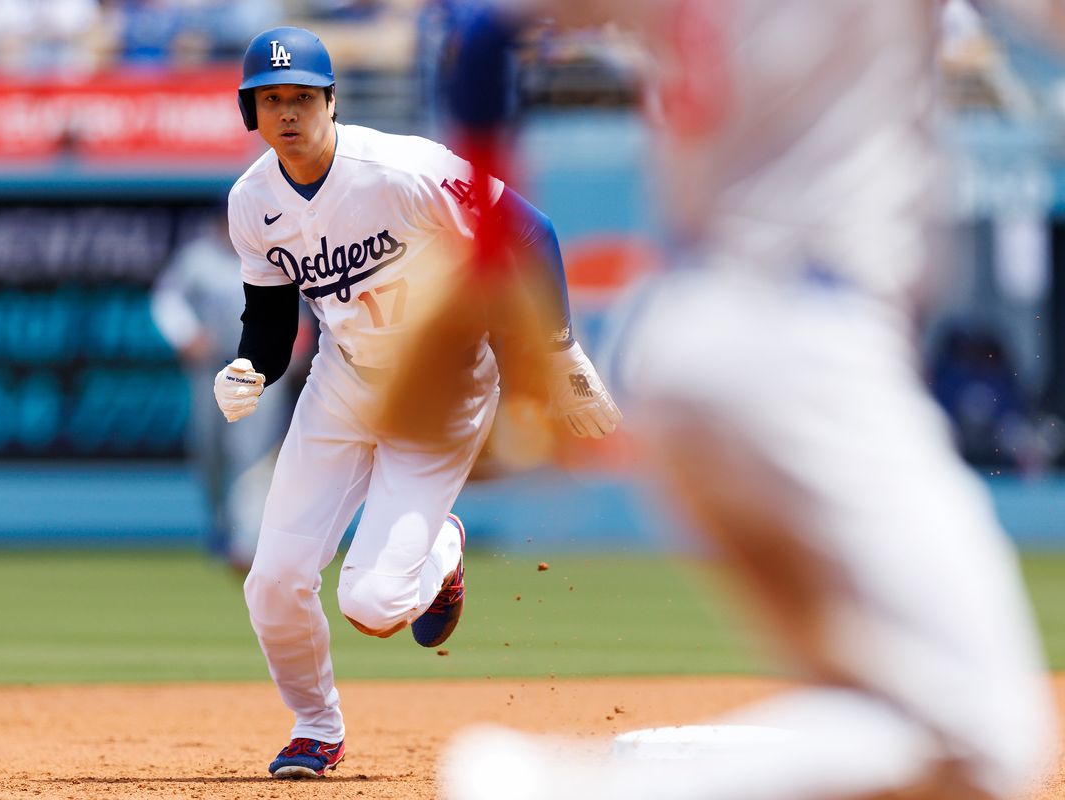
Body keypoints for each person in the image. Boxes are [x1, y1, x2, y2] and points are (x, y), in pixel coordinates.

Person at [439, 2, 1057, 800]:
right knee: (986, 733)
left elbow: (477, 30)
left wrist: (487, 265)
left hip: (682, 337)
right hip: (810, 344)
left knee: (892, 720)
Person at [211, 25, 621, 780]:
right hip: (344, 383)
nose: (289, 113)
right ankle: (315, 726)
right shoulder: (252, 204)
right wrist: (250, 367)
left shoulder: (402, 169)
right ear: (251, 114)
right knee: (272, 583)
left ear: (331, 102)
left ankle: (441, 551)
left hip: (444, 386)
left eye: (303, 96)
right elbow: (270, 320)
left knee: (371, 605)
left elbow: (530, 229)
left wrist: (560, 350)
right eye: (271, 101)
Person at [150, 211, 302, 570]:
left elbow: (308, 302)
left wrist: (296, 345)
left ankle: (246, 539)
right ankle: (222, 523)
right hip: (212, 366)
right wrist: (187, 335)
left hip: (260, 368)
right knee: (209, 451)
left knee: (252, 452)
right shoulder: (199, 258)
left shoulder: (275, 252)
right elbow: (166, 299)